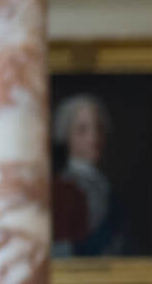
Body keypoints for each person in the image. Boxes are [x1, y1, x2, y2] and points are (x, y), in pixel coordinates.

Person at [51, 92, 126, 258]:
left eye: (98, 128)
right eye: (82, 130)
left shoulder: (105, 185)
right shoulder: (62, 189)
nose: (94, 138)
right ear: (66, 136)